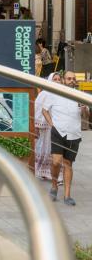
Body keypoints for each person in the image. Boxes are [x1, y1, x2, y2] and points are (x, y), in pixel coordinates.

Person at [42, 71, 89, 205]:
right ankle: (54, 186)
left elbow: (85, 116)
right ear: (63, 80)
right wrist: (51, 124)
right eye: (69, 78)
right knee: (56, 162)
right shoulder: (55, 93)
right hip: (58, 132)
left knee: (68, 164)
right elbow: (44, 110)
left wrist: (84, 107)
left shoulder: (81, 95)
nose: (72, 80)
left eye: (73, 79)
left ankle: (67, 196)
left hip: (74, 134)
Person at [35, 73, 63, 181]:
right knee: (45, 149)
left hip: (60, 127)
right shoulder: (44, 93)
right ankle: (44, 172)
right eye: (55, 79)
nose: (57, 81)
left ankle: (57, 175)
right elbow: (37, 108)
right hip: (46, 127)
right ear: (50, 80)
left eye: (59, 79)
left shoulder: (62, 93)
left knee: (57, 152)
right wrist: (38, 125)